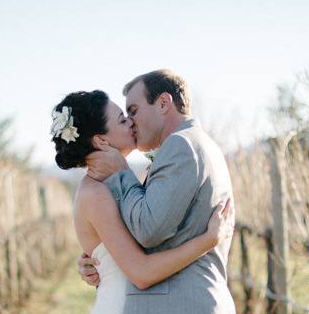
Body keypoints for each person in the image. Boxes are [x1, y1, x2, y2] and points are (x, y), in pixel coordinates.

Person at [51, 89, 233, 314]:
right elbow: (142, 273)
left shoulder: (117, 182)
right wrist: (208, 241)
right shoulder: (95, 193)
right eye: (121, 119)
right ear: (101, 140)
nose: (131, 122)